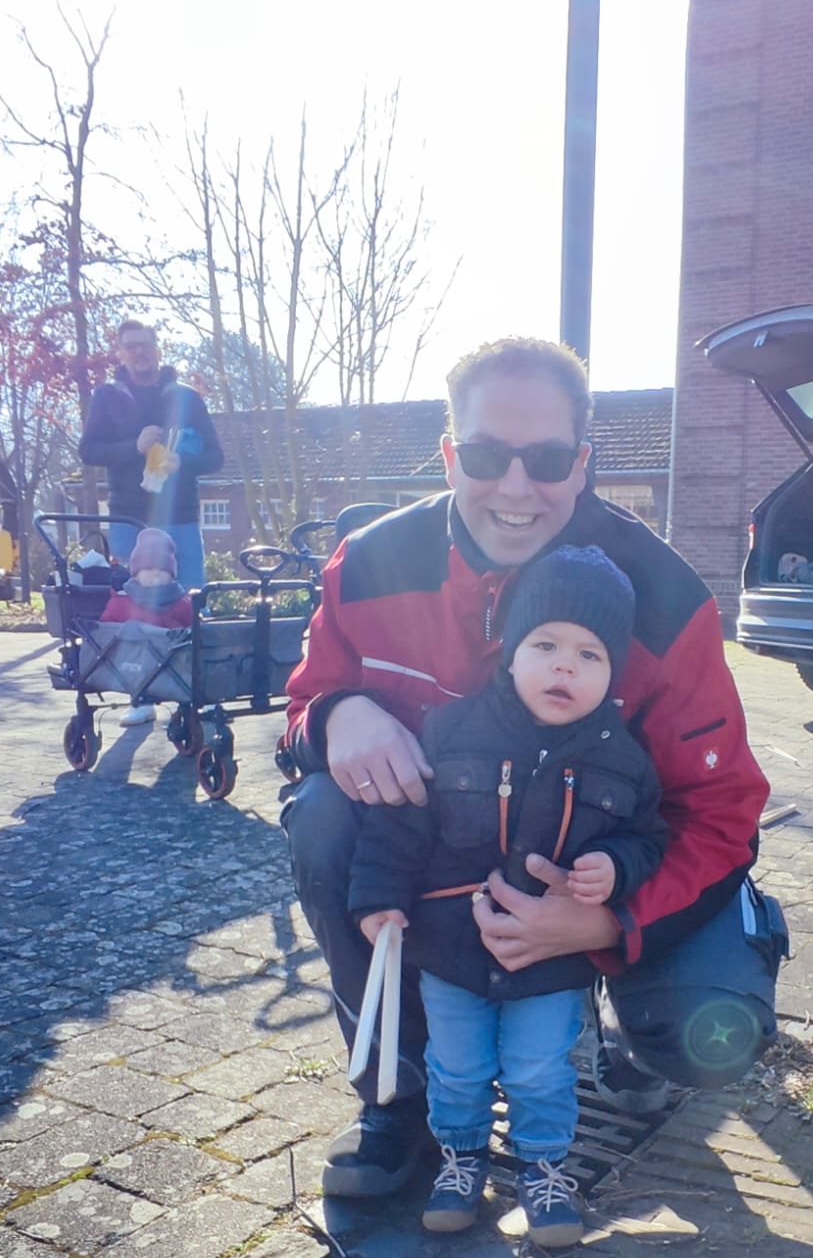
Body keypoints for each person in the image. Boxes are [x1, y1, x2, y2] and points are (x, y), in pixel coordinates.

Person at [281, 336, 786, 1201]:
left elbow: (722, 812)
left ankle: (624, 1028)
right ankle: (398, 1098)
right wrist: (336, 715)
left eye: (547, 460)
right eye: (486, 456)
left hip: (592, 869)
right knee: (324, 816)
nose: (516, 487)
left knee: (702, 1023)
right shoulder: (366, 563)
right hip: (430, 861)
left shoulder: (664, 601)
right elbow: (300, 709)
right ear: (450, 456)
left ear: (583, 465)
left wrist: (610, 922)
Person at [349, 546, 668, 1247]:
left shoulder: (624, 760)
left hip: (553, 964)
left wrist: (616, 867)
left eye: (589, 654)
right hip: (450, 950)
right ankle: (460, 1160)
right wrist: (378, 897)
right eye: (545, 645)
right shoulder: (450, 730)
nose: (564, 667)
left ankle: (544, 1169)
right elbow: (399, 823)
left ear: (613, 671)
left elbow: (648, 837)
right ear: (512, 651)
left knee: (539, 1069)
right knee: (457, 1066)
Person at [78, 320, 222, 722]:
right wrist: (133, 446)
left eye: (145, 344)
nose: (139, 352)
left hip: (180, 516)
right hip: (129, 516)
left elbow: (216, 456)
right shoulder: (107, 397)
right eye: (131, 346)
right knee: (133, 604)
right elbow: (88, 450)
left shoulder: (186, 398)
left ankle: (197, 693)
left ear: (158, 348)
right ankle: (141, 697)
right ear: (120, 353)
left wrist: (183, 462)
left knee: (191, 601)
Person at [99, 527, 193, 630]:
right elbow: (106, 631)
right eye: (149, 568)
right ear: (136, 575)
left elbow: (194, 631)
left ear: (172, 577)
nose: (156, 573)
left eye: (163, 569)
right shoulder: (121, 603)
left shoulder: (183, 604)